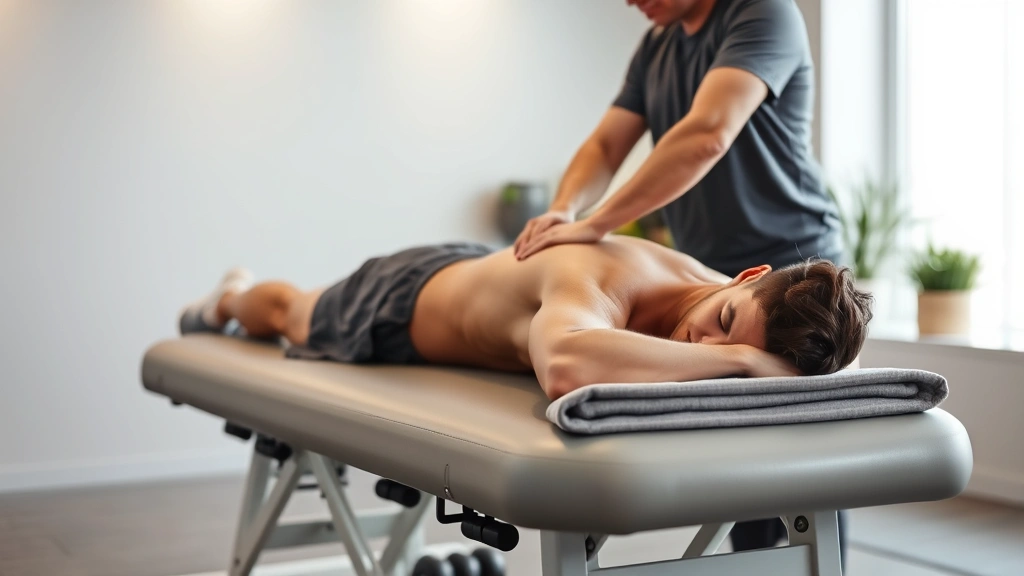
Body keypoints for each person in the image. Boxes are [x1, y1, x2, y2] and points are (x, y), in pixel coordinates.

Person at [512, 0, 848, 561]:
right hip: (710, 283)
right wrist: (567, 209)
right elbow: (604, 146)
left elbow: (709, 132)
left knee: (804, 482)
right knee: (738, 474)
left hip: (788, 271)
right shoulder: (659, 46)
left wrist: (597, 224)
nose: (628, 2)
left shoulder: (762, 13)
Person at [179, 239, 871, 402]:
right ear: (745, 278)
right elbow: (566, 367)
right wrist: (741, 362)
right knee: (285, 311)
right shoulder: (608, 277)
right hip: (404, 299)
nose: (702, 340)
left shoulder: (736, 315)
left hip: (482, 279)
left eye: (733, 344)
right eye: (724, 318)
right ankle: (227, 295)